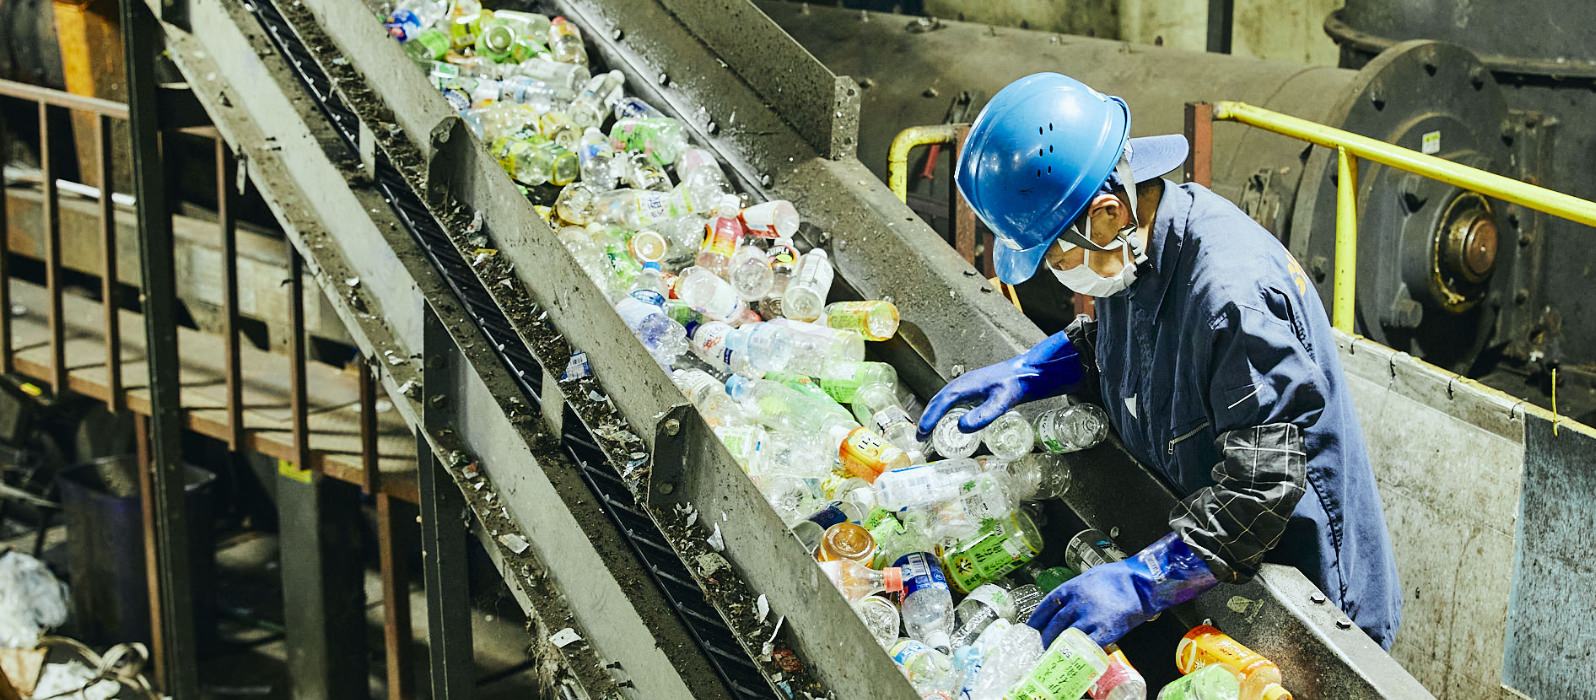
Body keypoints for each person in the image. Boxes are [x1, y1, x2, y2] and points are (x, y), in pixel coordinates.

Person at [919, 72, 1402, 650]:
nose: (1057, 271)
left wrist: (1142, 582)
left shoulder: (1231, 296)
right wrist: (1032, 372)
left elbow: (1264, 486)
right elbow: (1136, 349)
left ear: (1104, 212)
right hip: (1212, 565)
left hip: (1304, 590)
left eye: (1056, 254)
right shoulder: (1134, 248)